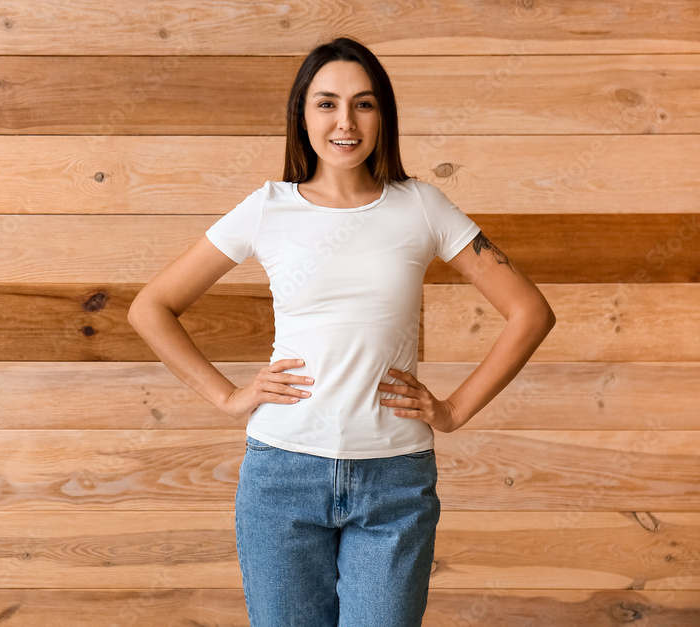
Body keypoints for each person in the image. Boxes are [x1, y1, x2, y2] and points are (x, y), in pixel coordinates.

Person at [127, 36, 555, 627]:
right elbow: (151, 307)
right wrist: (228, 396)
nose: (345, 122)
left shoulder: (422, 207)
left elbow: (530, 312)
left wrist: (454, 410)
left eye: (364, 104)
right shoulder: (267, 208)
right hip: (281, 473)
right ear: (302, 114)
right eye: (326, 103)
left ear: (383, 117)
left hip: (395, 481)